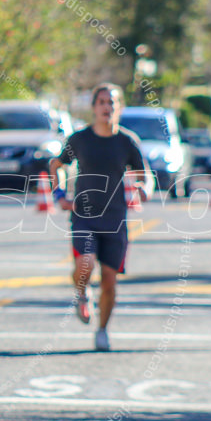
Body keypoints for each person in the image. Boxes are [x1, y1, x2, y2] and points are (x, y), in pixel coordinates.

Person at [48, 83, 151, 352]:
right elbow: (56, 164)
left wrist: (145, 188)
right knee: (85, 263)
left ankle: (102, 330)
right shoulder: (80, 140)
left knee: (109, 280)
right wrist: (59, 194)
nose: (107, 107)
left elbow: (145, 174)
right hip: (84, 214)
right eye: (102, 102)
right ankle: (81, 292)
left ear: (119, 108)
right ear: (94, 108)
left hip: (115, 218)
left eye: (112, 103)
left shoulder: (127, 141)